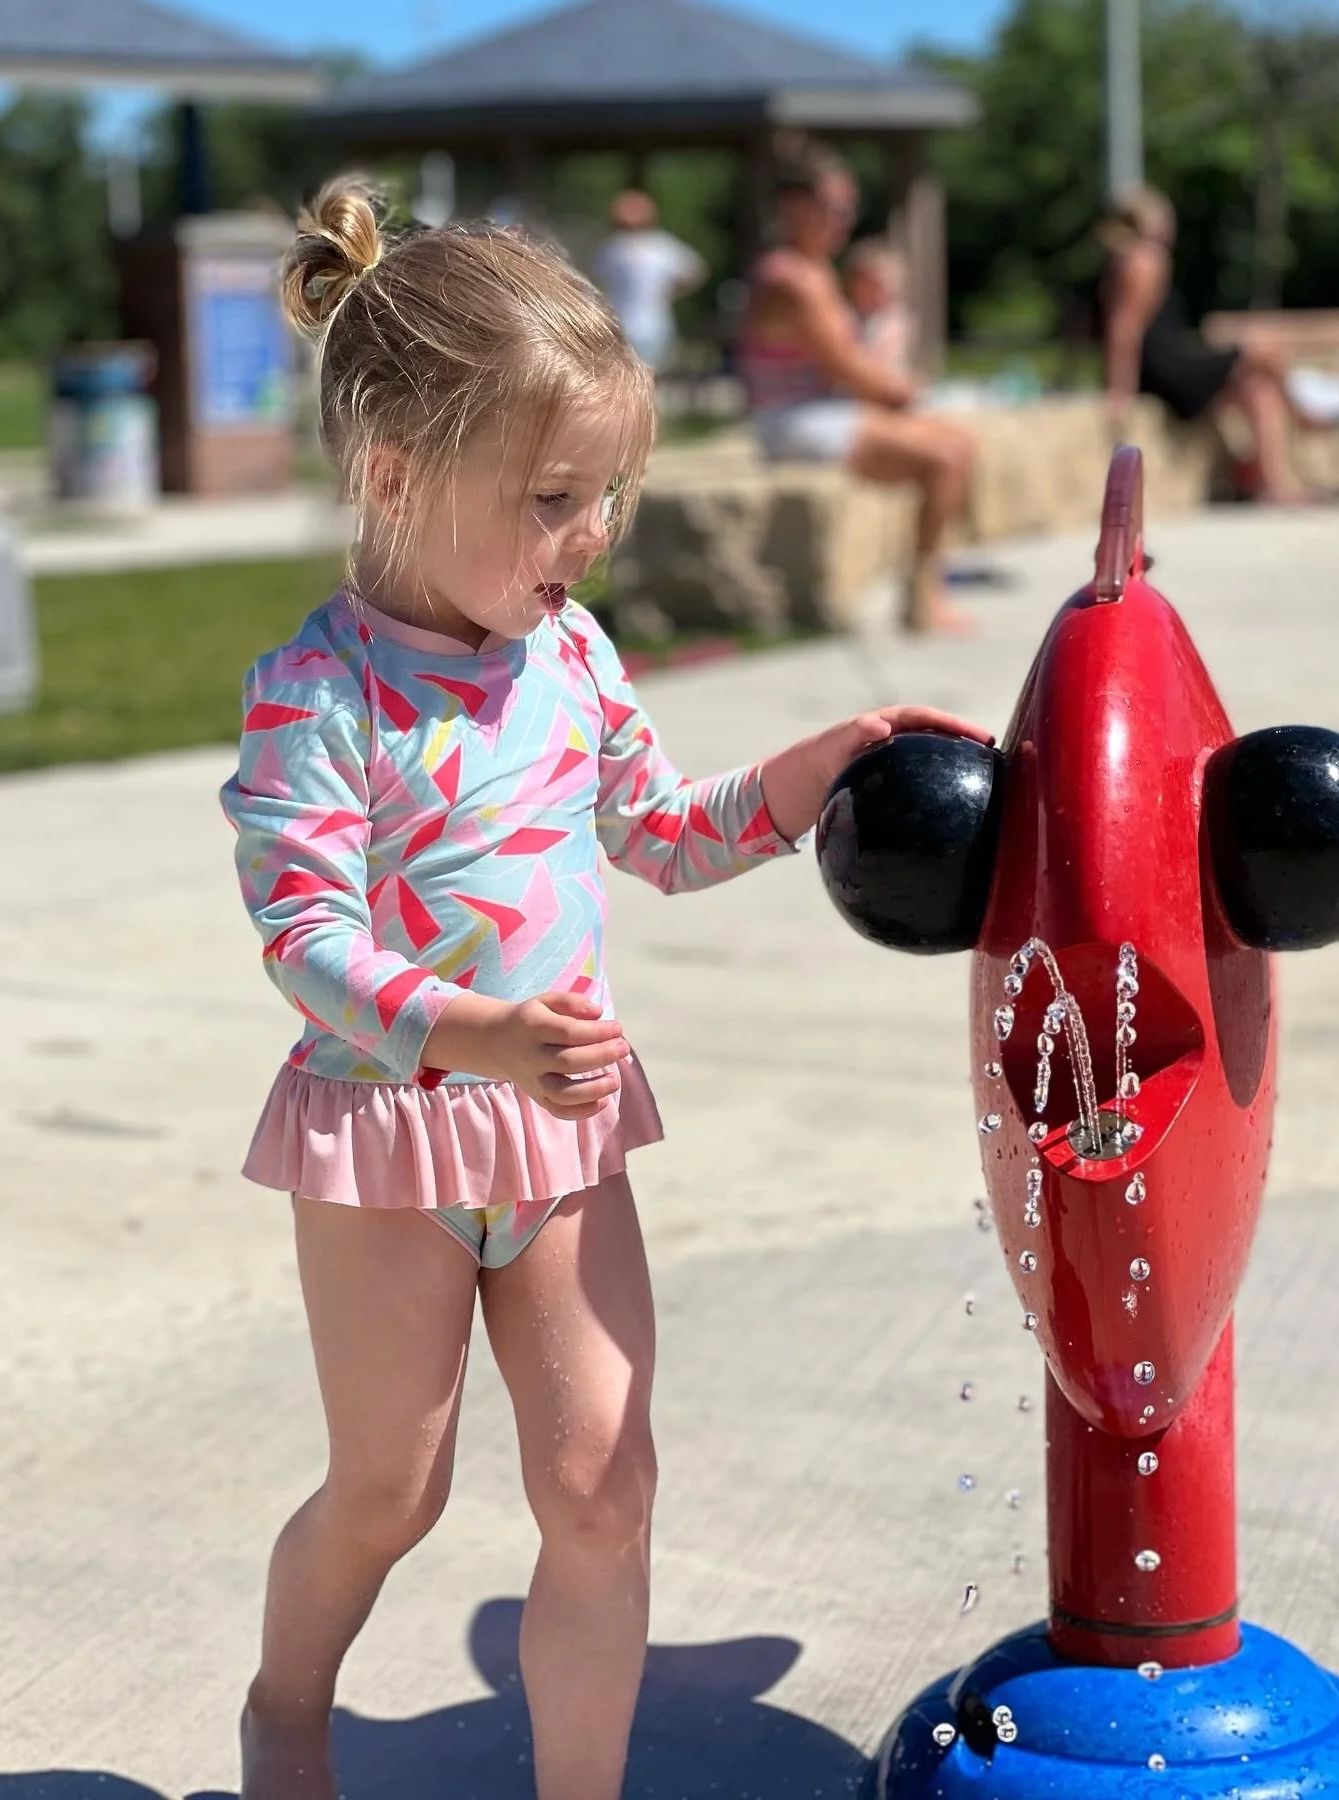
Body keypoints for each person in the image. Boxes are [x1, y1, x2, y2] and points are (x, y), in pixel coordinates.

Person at [223, 174, 993, 1800]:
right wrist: (481, 1031)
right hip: (392, 1144)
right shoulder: (319, 693)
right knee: (392, 1489)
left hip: (562, 1147)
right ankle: (289, 1704)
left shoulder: (569, 658)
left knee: (600, 1484)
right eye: (558, 499)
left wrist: (814, 773)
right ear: (393, 473)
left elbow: (657, 832)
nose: (591, 539)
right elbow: (304, 941)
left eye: (611, 498)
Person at [738, 135, 978, 634]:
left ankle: (926, 585)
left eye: (849, 208)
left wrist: (900, 394)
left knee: (960, 444)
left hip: (821, 411)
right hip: (792, 421)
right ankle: (922, 599)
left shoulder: (815, 271)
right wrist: (904, 393)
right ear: (794, 207)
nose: (844, 220)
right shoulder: (792, 278)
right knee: (946, 457)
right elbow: (847, 367)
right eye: (832, 208)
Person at [1099, 185, 1313, 505]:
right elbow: (1124, 329)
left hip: (1167, 364)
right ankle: (1306, 413)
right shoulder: (1144, 259)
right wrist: (1119, 390)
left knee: (1259, 389)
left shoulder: (1129, 259)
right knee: (1262, 350)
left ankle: (1271, 482)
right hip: (1166, 371)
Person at [591, 188, 708, 371]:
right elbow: (696, 272)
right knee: (650, 378)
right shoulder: (662, 246)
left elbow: (595, 281)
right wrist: (669, 294)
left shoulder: (613, 248)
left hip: (625, 323)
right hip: (651, 325)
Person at [844, 236, 916, 376]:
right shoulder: (848, 316)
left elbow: (882, 356)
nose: (880, 293)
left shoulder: (895, 320)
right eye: (872, 286)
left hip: (885, 378)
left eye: (887, 287)